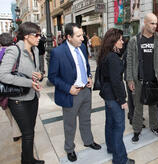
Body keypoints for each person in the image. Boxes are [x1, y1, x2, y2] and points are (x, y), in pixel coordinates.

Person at [48, 23, 101, 162]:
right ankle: (69, 149)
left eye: (82, 35)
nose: (82, 38)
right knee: (70, 124)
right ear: (68, 37)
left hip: (85, 91)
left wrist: (89, 77)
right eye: (78, 36)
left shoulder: (82, 47)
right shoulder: (58, 52)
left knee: (86, 119)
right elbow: (52, 77)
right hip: (71, 94)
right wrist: (68, 88)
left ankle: (88, 141)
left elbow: (86, 66)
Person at [0, 22, 44, 164]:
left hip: (33, 97)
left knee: (30, 131)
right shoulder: (14, 50)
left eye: (40, 35)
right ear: (26, 36)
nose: (39, 38)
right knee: (27, 133)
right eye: (36, 35)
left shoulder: (35, 50)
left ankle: (28, 158)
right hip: (18, 99)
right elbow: (3, 75)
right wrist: (28, 82)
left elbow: (36, 71)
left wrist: (40, 76)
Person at [126, 13, 158, 142]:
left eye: (156, 23)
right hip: (139, 79)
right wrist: (129, 79)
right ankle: (137, 130)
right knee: (137, 107)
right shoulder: (134, 40)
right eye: (152, 23)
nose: (155, 26)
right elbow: (129, 61)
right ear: (145, 23)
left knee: (154, 106)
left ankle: (154, 127)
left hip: (155, 79)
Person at [98, 28, 135, 164]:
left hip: (107, 94)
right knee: (119, 127)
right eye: (120, 39)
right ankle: (120, 159)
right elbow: (116, 81)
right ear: (113, 42)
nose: (122, 41)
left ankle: (111, 148)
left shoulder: (106, 54)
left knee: (110, 123)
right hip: (113, 97)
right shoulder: (112, 58)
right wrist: (122, 100)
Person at [0, 33, 22, 142]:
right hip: (14, 86)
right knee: (17, 109)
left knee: (7, 110)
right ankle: (17, 131)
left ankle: (16, 132)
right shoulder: (16, 52)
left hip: (3, 89)